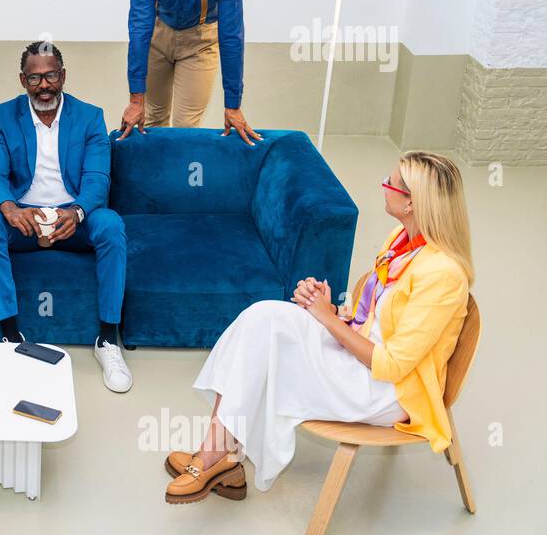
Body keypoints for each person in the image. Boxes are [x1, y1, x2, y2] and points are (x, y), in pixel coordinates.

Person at [165, 151, 474, 503]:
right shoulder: (400, 240)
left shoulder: (443, 275)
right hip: (359, 355)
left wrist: (324, 318)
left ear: (413, 205)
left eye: (391, 184)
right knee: (262, 316)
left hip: (387, 390)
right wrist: (334, 310)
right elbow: (376, 319)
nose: (382, 186)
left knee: (268, 348)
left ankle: (217, 457)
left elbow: (392, 365)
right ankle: (222, 454)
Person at [0, 41, 132, 392]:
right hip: (23, 220)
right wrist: (10, 208)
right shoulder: (2, 116)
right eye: (34, 78)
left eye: (50, 76)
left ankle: (108, 340)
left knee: (111, 225)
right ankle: (10, 336)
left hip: (73, 219)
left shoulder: (89, 116)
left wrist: (76, 212)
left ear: (63, 76)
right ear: (22, 80)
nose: (43, 85)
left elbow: (97, 179)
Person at [118, 0, 261, 145]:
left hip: (200, 44)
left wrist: (233, 106)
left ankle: (182, 178)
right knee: (152, 118)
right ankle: (154, 176)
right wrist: (135, 100)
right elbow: (139, 32)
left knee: (186, 127)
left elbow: (231, 40)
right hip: (158, 38)